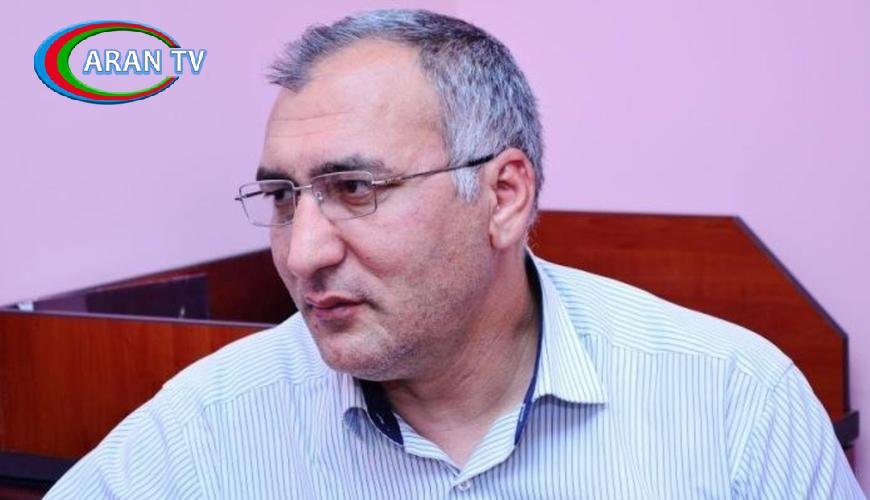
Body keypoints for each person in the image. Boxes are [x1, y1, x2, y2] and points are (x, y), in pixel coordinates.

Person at [47, 9, 863, 499]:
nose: (302, 252)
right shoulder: (209, 424)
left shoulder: (732, 402)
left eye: (355, 188)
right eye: (284, 198)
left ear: (503, 197)